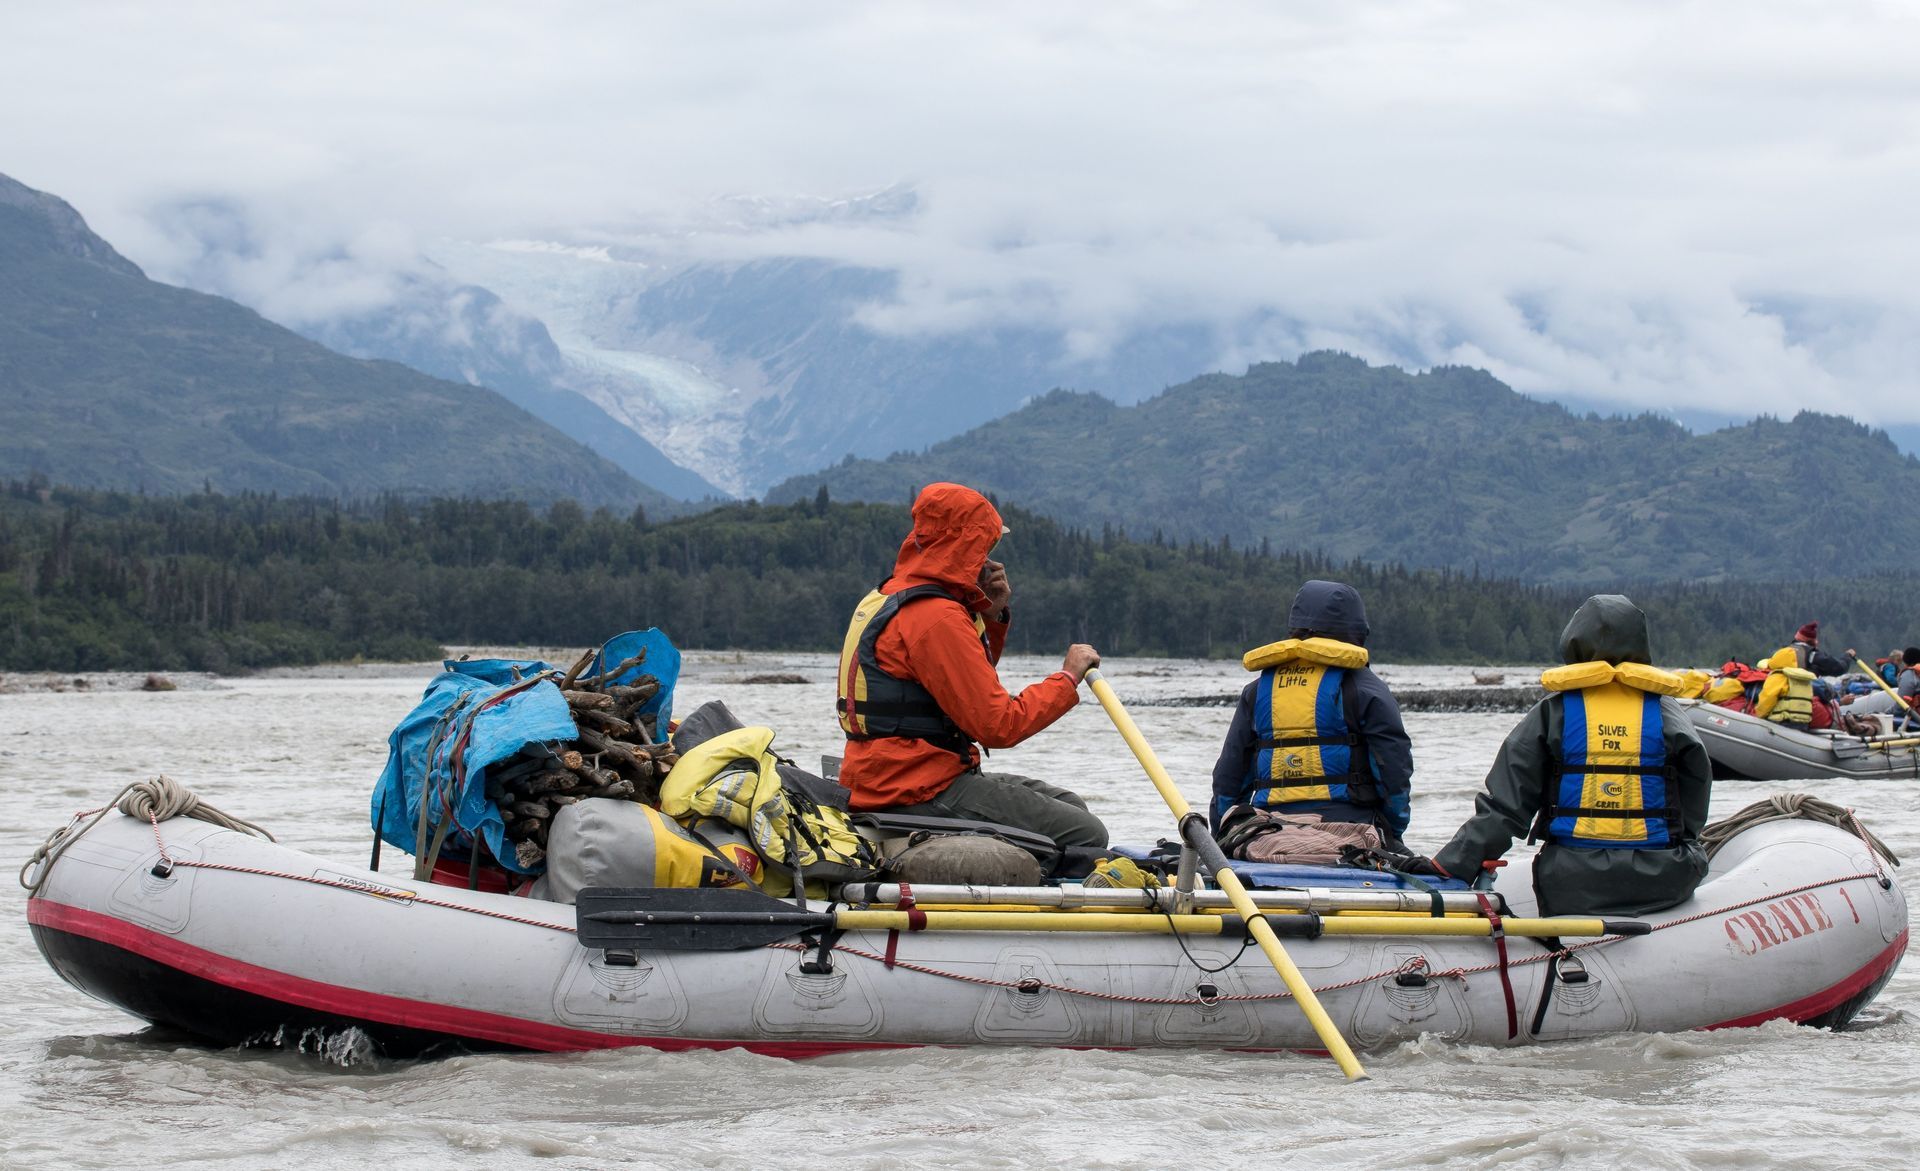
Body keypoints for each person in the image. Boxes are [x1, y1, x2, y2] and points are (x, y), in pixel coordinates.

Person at [834, 482, 1108, 847]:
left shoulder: (891, 594)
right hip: (914, 787)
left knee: (1071, 806)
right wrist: (1067, 677)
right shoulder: (936, 616)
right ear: (965, 545)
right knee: (1087, 833)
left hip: (896, 775)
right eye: (985, 546)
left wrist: (990, 615)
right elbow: (999, 725)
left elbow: (961, 684)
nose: (989, 557)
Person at [1417, 595, 1712, 917]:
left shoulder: (1552, 712)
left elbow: (1505, 809)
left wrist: (1452, 864)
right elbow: (1694, 806)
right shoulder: (1670, 714)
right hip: (1665, 876)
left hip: (1571, 880)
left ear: (1574, 642)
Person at [1209, 580, 1413, 849]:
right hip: (1352, 828)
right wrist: (1393, 832)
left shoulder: (1258, 691)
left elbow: (1228, 780)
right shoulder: (1368, 690)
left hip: (1269, 829)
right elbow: (1394, 774)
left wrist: (1221, 833)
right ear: (1356, 631)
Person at [1753, 647, 1816, 726]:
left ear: (1776, 660)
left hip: (1783, 721)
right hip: (1803, 723)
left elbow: (1768, 697)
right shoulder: (1804, 679)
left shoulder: (1779, 676)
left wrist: (1758, 714)